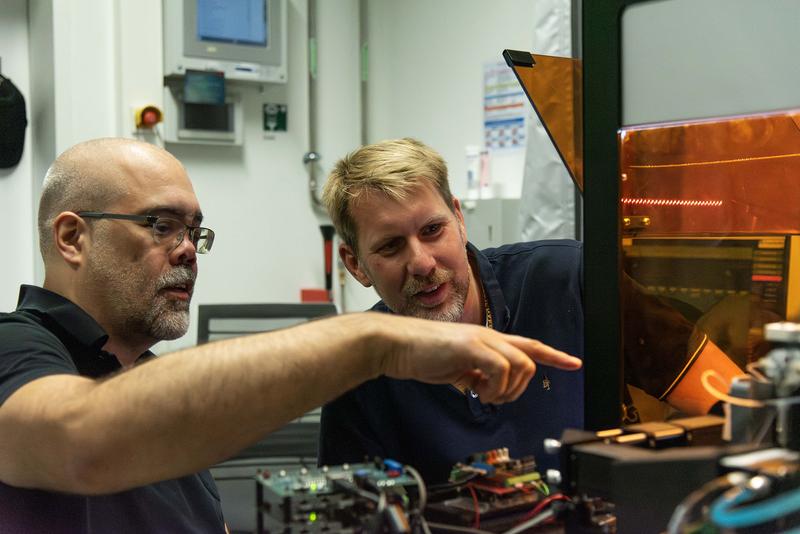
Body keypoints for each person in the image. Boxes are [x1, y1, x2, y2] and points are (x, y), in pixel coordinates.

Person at [0, 138, 583, 533]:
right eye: (160, 224)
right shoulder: (16, 348)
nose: (186, 249)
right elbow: (81, 440)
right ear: (72, 238)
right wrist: (373, 344)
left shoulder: (148, 383)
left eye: (195, 231)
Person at [317, 138, 743, 483]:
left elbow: (733, 406)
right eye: (391, 246)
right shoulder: (359, 370)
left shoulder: (570, 278)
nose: (423, 263)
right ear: (356, 265)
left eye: (432, 230)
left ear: (459, 219)